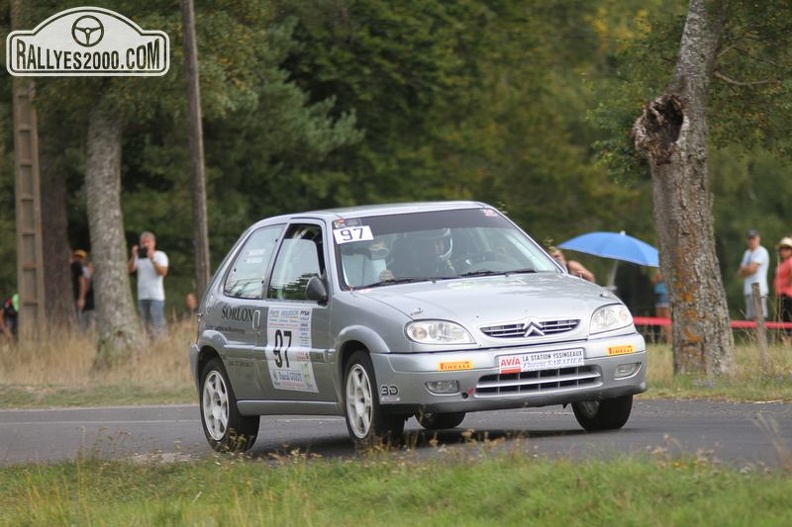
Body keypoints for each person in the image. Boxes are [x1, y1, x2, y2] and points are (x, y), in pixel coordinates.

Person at [128, 231, 169, 337]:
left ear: (153, 243)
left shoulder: (160, 255)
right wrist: (133, 256)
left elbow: (163, 273)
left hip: (156, 296)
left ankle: (161, 344)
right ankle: (149, 346)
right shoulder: (139, 257)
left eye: (148, 242)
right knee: (145, 325)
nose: (145, 244)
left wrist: (152, 259)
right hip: (142, 296)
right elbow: (129, 270)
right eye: (143, 242)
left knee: (157, 324)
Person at [738, 229, 770, 320]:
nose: (751, 241)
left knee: (759, 318)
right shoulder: (747, 253)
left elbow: (751, 269)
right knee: (750, 319)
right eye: (749, 238)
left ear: (758, 239)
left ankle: (760, 335)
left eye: (753, 238)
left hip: (758, 290)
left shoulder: (762, 251)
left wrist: (745, 269)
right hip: (748, 290)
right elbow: (740, 273)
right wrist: (748, 269)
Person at [773, 237, 792, 342]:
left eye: (787, 248)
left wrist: (789, 281)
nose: (784, 251)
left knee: (788, 319)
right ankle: (783, 341)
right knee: (782, 319)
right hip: (781, 294)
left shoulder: (790, 261)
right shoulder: (783, 262)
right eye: (782, 249)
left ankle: (788, 341)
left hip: (788, 295)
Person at [71, 249, 95, 332]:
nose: (78, 259)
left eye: (81, 258)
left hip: (90, 304)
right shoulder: (74, 270)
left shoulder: (87, 270)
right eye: (76, 257)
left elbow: (86, 287)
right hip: (82, 303)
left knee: (89, 327)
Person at [652, 270, 671, 343]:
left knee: (666, 318)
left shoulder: (666, 268)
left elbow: (661, 278)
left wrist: (659, 276)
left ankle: (669, 340)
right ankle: (665, 339)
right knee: (659, 318)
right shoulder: (658, 269)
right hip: (658, 294)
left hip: (665, 294)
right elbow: (654, 281)